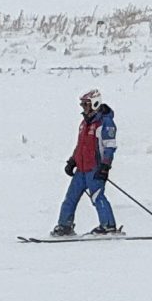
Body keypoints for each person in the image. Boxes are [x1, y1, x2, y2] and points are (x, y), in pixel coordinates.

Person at [54, 89, 121, 237]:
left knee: (97, 197)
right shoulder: (84, 123)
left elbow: (110, 146)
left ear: (95, 104)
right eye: (82, 105)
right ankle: (64, 225)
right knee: (70, 198)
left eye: (86, 104)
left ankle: (108, 225)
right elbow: (80, 145)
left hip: (95, 169)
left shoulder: (105, 123)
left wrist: (105, 166)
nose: (84, 108)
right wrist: (73, 161)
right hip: (81, 170)